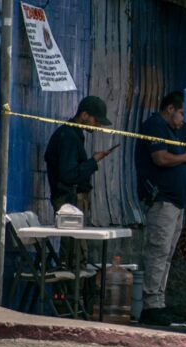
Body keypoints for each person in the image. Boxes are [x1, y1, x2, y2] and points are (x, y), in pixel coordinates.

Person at [135, 91, 186, 326]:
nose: (183, 119)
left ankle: (159, 301)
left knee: (167, 254)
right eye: (182, 113)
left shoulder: (172, 132)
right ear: (170, 109)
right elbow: (160, 159)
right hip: (161, 200)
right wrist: (185, 157)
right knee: (158, 251)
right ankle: (150, 304)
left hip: (176, 202)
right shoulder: (155, 125)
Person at [44, 96, 113, 267]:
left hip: (72, 201)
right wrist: (93, 161)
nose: (97, 126)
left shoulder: (73, 134)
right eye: (96, 121)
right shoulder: (68, 136)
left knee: (78, 250)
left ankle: (75, 289)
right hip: (68, 201)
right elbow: (68, 175)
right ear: (84, 115)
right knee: (74, 253)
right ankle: (69, 292)